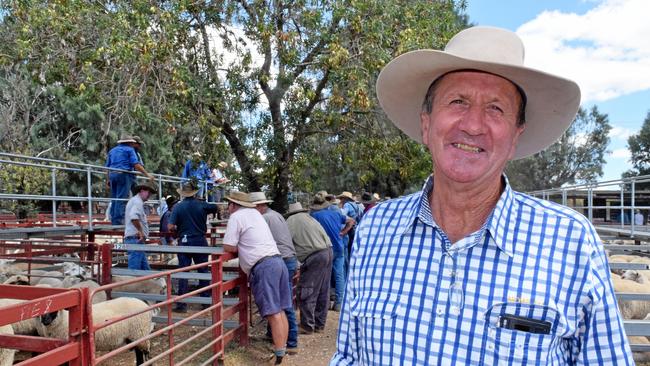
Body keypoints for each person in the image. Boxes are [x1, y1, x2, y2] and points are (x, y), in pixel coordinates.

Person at [331, 26, 632, 365]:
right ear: (426, 124)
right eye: (458, 101)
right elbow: (349, 356)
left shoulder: (571, 241)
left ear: (516, 136)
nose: (473, 125)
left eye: (495, 109)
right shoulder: (375, 230)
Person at [222, 191, 291, 364]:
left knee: (273, 312)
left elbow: (228, 246)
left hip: (263, 266)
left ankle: (280, 353)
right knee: (280, 309)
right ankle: (281, 349)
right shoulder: (256, 214)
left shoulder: (236, 217)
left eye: (229, 204)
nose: (228, 207)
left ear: (233, 205)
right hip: (277, 261)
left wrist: (239, 248)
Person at [250, 192, 299, 353]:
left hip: (279, 258)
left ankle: (291, 341)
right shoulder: (275, 215)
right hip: (286, 258)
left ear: (259, 206)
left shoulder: (264, 219)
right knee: (281, 302)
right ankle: (275, 335)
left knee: (282, 304)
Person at [168, 182, 219, 313]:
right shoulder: (201, 205)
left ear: (183, 193)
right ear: (194, 193)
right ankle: (206, 301)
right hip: (200, 240)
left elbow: (170, 227)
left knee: (184, 271)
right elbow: (215, 207)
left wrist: (177, 232)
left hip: (184, 241)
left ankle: (182, 304)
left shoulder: (178, 208)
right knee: (203, 271)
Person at [285, 202, 333, 335]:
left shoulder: (291, 221)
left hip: (314, 255)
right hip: (327, 250)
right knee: (323, 289)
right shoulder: (309, 217)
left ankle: (307, 325)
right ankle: (319, 323)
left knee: (307, 289)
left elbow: (286, 240)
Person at [310, 193, 354, 312]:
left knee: (326, 276)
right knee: (339, 275)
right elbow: (351, 221)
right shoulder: (336, 213)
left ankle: (327, 302)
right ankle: (339, 303)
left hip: (325, 248)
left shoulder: (313, 216)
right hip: (339, 247)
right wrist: (343, 232)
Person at [105, 134, 154, 225]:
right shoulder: (129, 150)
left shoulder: (112, 151)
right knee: (121, 198)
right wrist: (147, 175)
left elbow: (107, 167)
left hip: (113, 175)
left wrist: (108, 179)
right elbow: (136, 164)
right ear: (129, 143)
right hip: (124, 175)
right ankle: (118, 221)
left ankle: (114, 220)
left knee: (114, 198)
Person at [124, 181, 157, 270]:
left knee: (144, 270)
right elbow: (134, 217)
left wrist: (143, 224)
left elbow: (134, 217)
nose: (149, 195)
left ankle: (150, 283)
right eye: (149, 192)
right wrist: (141, 231)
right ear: (142, 190)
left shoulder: (135, 201)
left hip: (135, 239)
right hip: (136, 239)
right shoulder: (137, 202)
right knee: (135, 271)